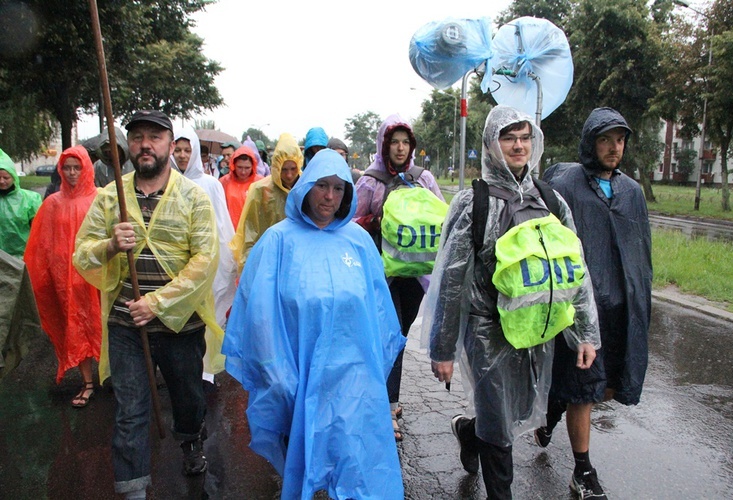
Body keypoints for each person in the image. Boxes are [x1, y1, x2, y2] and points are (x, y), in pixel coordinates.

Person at [423, 106, 600, 499]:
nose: (518, 145)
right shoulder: (475, 203)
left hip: (536, 327)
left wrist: (586, 333)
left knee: (516, 411)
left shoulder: (551, 201)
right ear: (491, 144)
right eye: (508, 137)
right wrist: (443, 348)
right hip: (486, 327)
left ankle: (469, 434)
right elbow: (452, 281)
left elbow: (574, 269)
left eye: (524, 137)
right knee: (500, 422)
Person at [222, 149, 405, 499]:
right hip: (298, 378)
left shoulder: (359, 241)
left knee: (352, 460)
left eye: (339, 188)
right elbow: (260, 317)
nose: (330, 196)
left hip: (352, 380)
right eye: (322, 185)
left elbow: (379, 310)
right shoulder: (278, 241)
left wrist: (375, 367)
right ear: (306, 186)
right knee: (303, 459)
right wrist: (277, 376)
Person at [73, 110, 224, 499]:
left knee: (188, 400)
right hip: (126, 327)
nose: (145, 145)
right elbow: (82, 253)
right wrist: (109, 245)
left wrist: (157, 303)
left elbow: (205, 258)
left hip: (181, 326)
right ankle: (133, 488)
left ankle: (191, 442)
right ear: (128, 146)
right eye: (137, 137)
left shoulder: (193, 198)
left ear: (170, 146)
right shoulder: (111, 198)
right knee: (130, 411)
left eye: (154, 137)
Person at [538, 107, 652, 500]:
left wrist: (638, 306)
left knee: (598, 387)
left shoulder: (631, 192)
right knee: (585, 388)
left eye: (620, 140)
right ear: (590, 142)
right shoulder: (567, 184)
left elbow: (641, 257)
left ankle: (550, 420)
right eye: (606, 139)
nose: (614, 147)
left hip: (619, 311)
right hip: (580, 312)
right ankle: (583, 471)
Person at [353, 113, 444, 441]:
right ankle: (387, 405)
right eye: (395, 142)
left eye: (406, 142)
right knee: (387, 334)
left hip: (416, 275)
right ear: (384, 145)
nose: (401, 148)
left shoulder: (424, 180)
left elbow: (441, 219)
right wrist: (374, 222)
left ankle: (387, 396)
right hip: (383, 275)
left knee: (400, 334)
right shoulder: (370, 181)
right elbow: (350, 222)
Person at [24, 145, 101, 406]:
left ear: (86, 169)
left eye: (76, 167)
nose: (71, 173)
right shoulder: (52, 203)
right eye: (66, 168)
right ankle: (88, 382)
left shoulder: (100, 199)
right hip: (65, 279)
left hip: (96, 276)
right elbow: (41, 244)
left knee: (105, 325)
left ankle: (118, 376)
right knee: (77, 326)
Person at [172, 126, 237, 331]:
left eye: (187, 150)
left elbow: (222, 223)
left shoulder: (210, 185)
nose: (182, 155)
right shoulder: (166, 184)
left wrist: (228, 258)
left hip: (206, 259)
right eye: (178, 150)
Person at [230, 132, 303, 274]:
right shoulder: (261, 189)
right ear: (276, 167)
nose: (288, 175)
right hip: (268, 259)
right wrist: (248, 266)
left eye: (293, 169)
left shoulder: (306, 188)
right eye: (284, 169)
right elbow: (249, 231)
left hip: (298, 259)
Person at [0, 148, 42, 258]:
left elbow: (39, 231)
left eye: (6, 177)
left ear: (14, 177)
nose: (2, 181)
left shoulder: (30, 199)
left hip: (23, 258)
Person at [220, 143, 263, 229]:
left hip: (252, 232)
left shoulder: (260, 183)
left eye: (247, 168)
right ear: (233, 165)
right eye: (239, 167)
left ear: (253, 166)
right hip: (229, 231)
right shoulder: (224, 182)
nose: (243, 172)